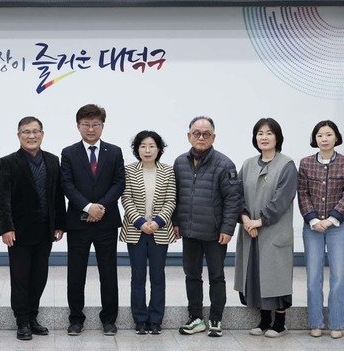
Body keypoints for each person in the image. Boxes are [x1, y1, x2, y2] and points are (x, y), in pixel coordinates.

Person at [0, 116, 66, 341]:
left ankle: (33, 317)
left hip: (45, 230)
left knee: (39, 277)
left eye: (35, 131)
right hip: (19, 232)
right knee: (20, 278)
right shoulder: (8, 162)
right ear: (19, 136)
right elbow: (2, 199)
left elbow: (57, 194)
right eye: (26, 132)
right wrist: (6, 228)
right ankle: (22, 321)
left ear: (42, 134)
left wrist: (60, 224)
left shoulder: (53, 160)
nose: (31, 136)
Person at [172, 116, 242, 338]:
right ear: (189, 136)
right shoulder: (180, 162)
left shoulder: (224, 164)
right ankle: (196, 318)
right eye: (196, 133)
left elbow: (233, 199)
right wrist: (175, 222)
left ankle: (215, 319)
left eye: (206, 134)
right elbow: (175, 196)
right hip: (189, 231)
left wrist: (227, 229)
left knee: (216, 276)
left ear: (213, 137)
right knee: (192, 275)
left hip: (215, 233)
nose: (201, 137)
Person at [61, 104, 126, 336]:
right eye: (86, 124)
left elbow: (119, 182)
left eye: (95, 124)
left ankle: (109, 319)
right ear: (78, 126)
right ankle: (76, 319)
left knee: (108, 272)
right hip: (78, 222)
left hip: (106, 222)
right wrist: (88, 207)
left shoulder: (114, 151)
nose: (91, 129)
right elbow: (67, 184)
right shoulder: (68, 153)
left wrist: (100, 208)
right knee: (76, 273)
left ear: (102, 126)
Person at [234, 117, 297, 338]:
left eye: (269, 133)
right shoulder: (248, 164)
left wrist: (259, 221)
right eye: (260, 133)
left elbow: (282, 199)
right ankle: (263, 321)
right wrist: (245, 219)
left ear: (277, 137)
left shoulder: (287, 165)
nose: (264, 137)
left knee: (276, 276)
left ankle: (279, 323)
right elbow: (237, 194)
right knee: (256, 275)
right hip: (250, 230)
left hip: (274, 231)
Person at [297, 120, 344, 340]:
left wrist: (331, 220)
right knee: (313, 277)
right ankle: (315, 322)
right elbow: (302, 194)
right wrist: (313, 220)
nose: (324, 139)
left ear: (336, 137)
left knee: (339, 277)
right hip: (312, 227)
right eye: (320, 135)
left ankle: (337, 323)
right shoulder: (305, 163)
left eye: (328, 134)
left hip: (338, 226)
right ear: (315, 139)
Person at [119, 130, 176, 335]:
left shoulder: (168, 171)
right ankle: (140, 319)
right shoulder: (128, 171)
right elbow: (126, 198)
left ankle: (156, 319)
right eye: (143, 146)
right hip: (136, 230)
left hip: (160, 231)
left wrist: (158, 222)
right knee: (138, 276)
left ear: (159, 149)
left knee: (158, 276)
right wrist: (141, 222)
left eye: (152, 146)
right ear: (137, 149)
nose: (147, 150)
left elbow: (171, 200)